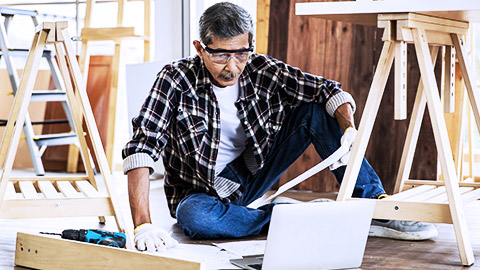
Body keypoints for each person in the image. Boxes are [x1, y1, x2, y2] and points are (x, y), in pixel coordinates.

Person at [122, 2, 437, 252]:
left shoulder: (262, 69)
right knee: (193, 218)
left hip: (250, 173)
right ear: (200, 47)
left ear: (250, 47)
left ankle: (374, 207)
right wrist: (143, 224)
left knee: (316, 110)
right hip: (201, 193)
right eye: (220, 55)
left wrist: (349, 130)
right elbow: (141, 148)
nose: (232, 67)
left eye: (241, 54)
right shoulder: (175, 78)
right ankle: (293, 217)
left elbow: (330, 91)